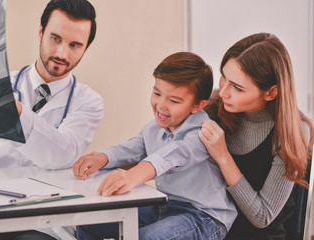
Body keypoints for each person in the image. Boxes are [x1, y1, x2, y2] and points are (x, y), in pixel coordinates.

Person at [0, 0, 102, 239]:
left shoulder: (88, 102)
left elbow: (62, 153)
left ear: (85, 49)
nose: (62, 53)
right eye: (55, 38)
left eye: (75, 45)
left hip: (44, 222)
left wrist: (18, 112)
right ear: (41, 33)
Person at [73, 52, 237, 240]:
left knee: (147, 237)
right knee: (89, 222)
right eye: (157, 93)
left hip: (203, 216)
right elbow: (132, 149)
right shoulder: (153, 127)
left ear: (198, 105)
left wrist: (131, 177)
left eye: (174, 100)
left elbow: (171, 156)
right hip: (164, 205)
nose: (161, 105)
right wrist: (101, 158)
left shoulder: (202, 132)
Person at [198, 33, 314, 239]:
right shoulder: (215, 107)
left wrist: (223, 156)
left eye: (237, 87)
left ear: (271, 93)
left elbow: (263, 216)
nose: (223, 92)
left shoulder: (293, 131)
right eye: (224, 77)